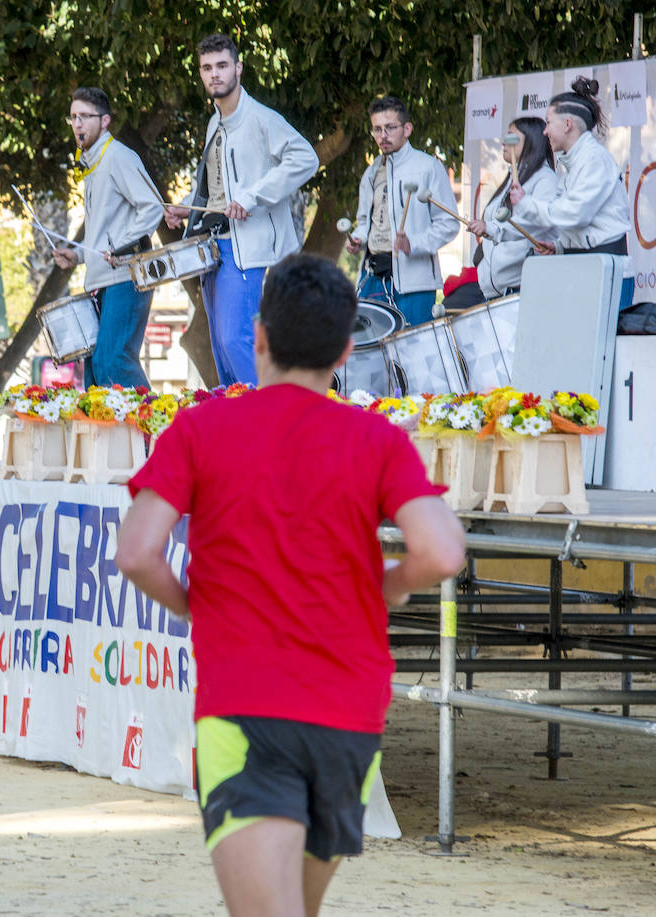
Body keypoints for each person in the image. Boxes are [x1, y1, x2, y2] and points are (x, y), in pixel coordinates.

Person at [115, 253, 467, 917]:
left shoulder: (200, 428)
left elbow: (136, 552)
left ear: (258, 337)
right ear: (345, 350)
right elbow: (443, 549)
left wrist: (195, 605)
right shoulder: (377, 438)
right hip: (347, 718)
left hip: (244, 709)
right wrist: (389, 585)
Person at [164, 33, 319, 386]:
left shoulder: (262, 118)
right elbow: (215, 189)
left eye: (221, 65)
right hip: (214, 245)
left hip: (248, 246)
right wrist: (187, 208)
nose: (214, 74)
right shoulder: (213, 123)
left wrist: (252, 197)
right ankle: (241, 427)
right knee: (221, 347)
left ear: (238, 68)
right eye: (206, 68)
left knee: (236, 339)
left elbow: (305, 158)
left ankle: (276, 418)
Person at [53, 87, 165, 389]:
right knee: (95, 368)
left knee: (114, 360)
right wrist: (78, 255)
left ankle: (152, 432)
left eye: (85, 117)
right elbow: (104, 228)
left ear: (104, 121)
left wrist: (122, 246)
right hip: (102, 278)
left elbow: (153, 207)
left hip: (126, 277)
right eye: (73, 117)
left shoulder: (117, 156)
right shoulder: (92, 162)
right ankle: (111, 437)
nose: (77, 124)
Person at [508, 76, 634, 309]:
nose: (544, 131)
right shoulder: (573, 164)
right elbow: (583, 225)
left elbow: (577, 213)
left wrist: (527, 204)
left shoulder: (594, 159)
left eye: (548, 123)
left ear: (567, 124)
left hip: (607, 272)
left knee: (601, 345)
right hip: (585, 270)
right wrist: (560, 246)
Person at [347, 96, 459, 327]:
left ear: (407, 129)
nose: (383, 136)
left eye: (390, 128)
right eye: (377, 129)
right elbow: (364, 221)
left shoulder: (428, 167)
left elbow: (449, 223)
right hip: (373, 276)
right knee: (373, 353)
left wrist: (413, 243)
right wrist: (358, 238)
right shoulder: (371, 172)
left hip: (413, 281)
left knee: (413, 354)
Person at [443, 117, 558, 310]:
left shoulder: (545, 180)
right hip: (493, 289)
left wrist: (492, 228)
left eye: (512, 137)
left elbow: (535, 225)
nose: (504, 142)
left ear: (532, 141)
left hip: (521, 288)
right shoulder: (513, 178)